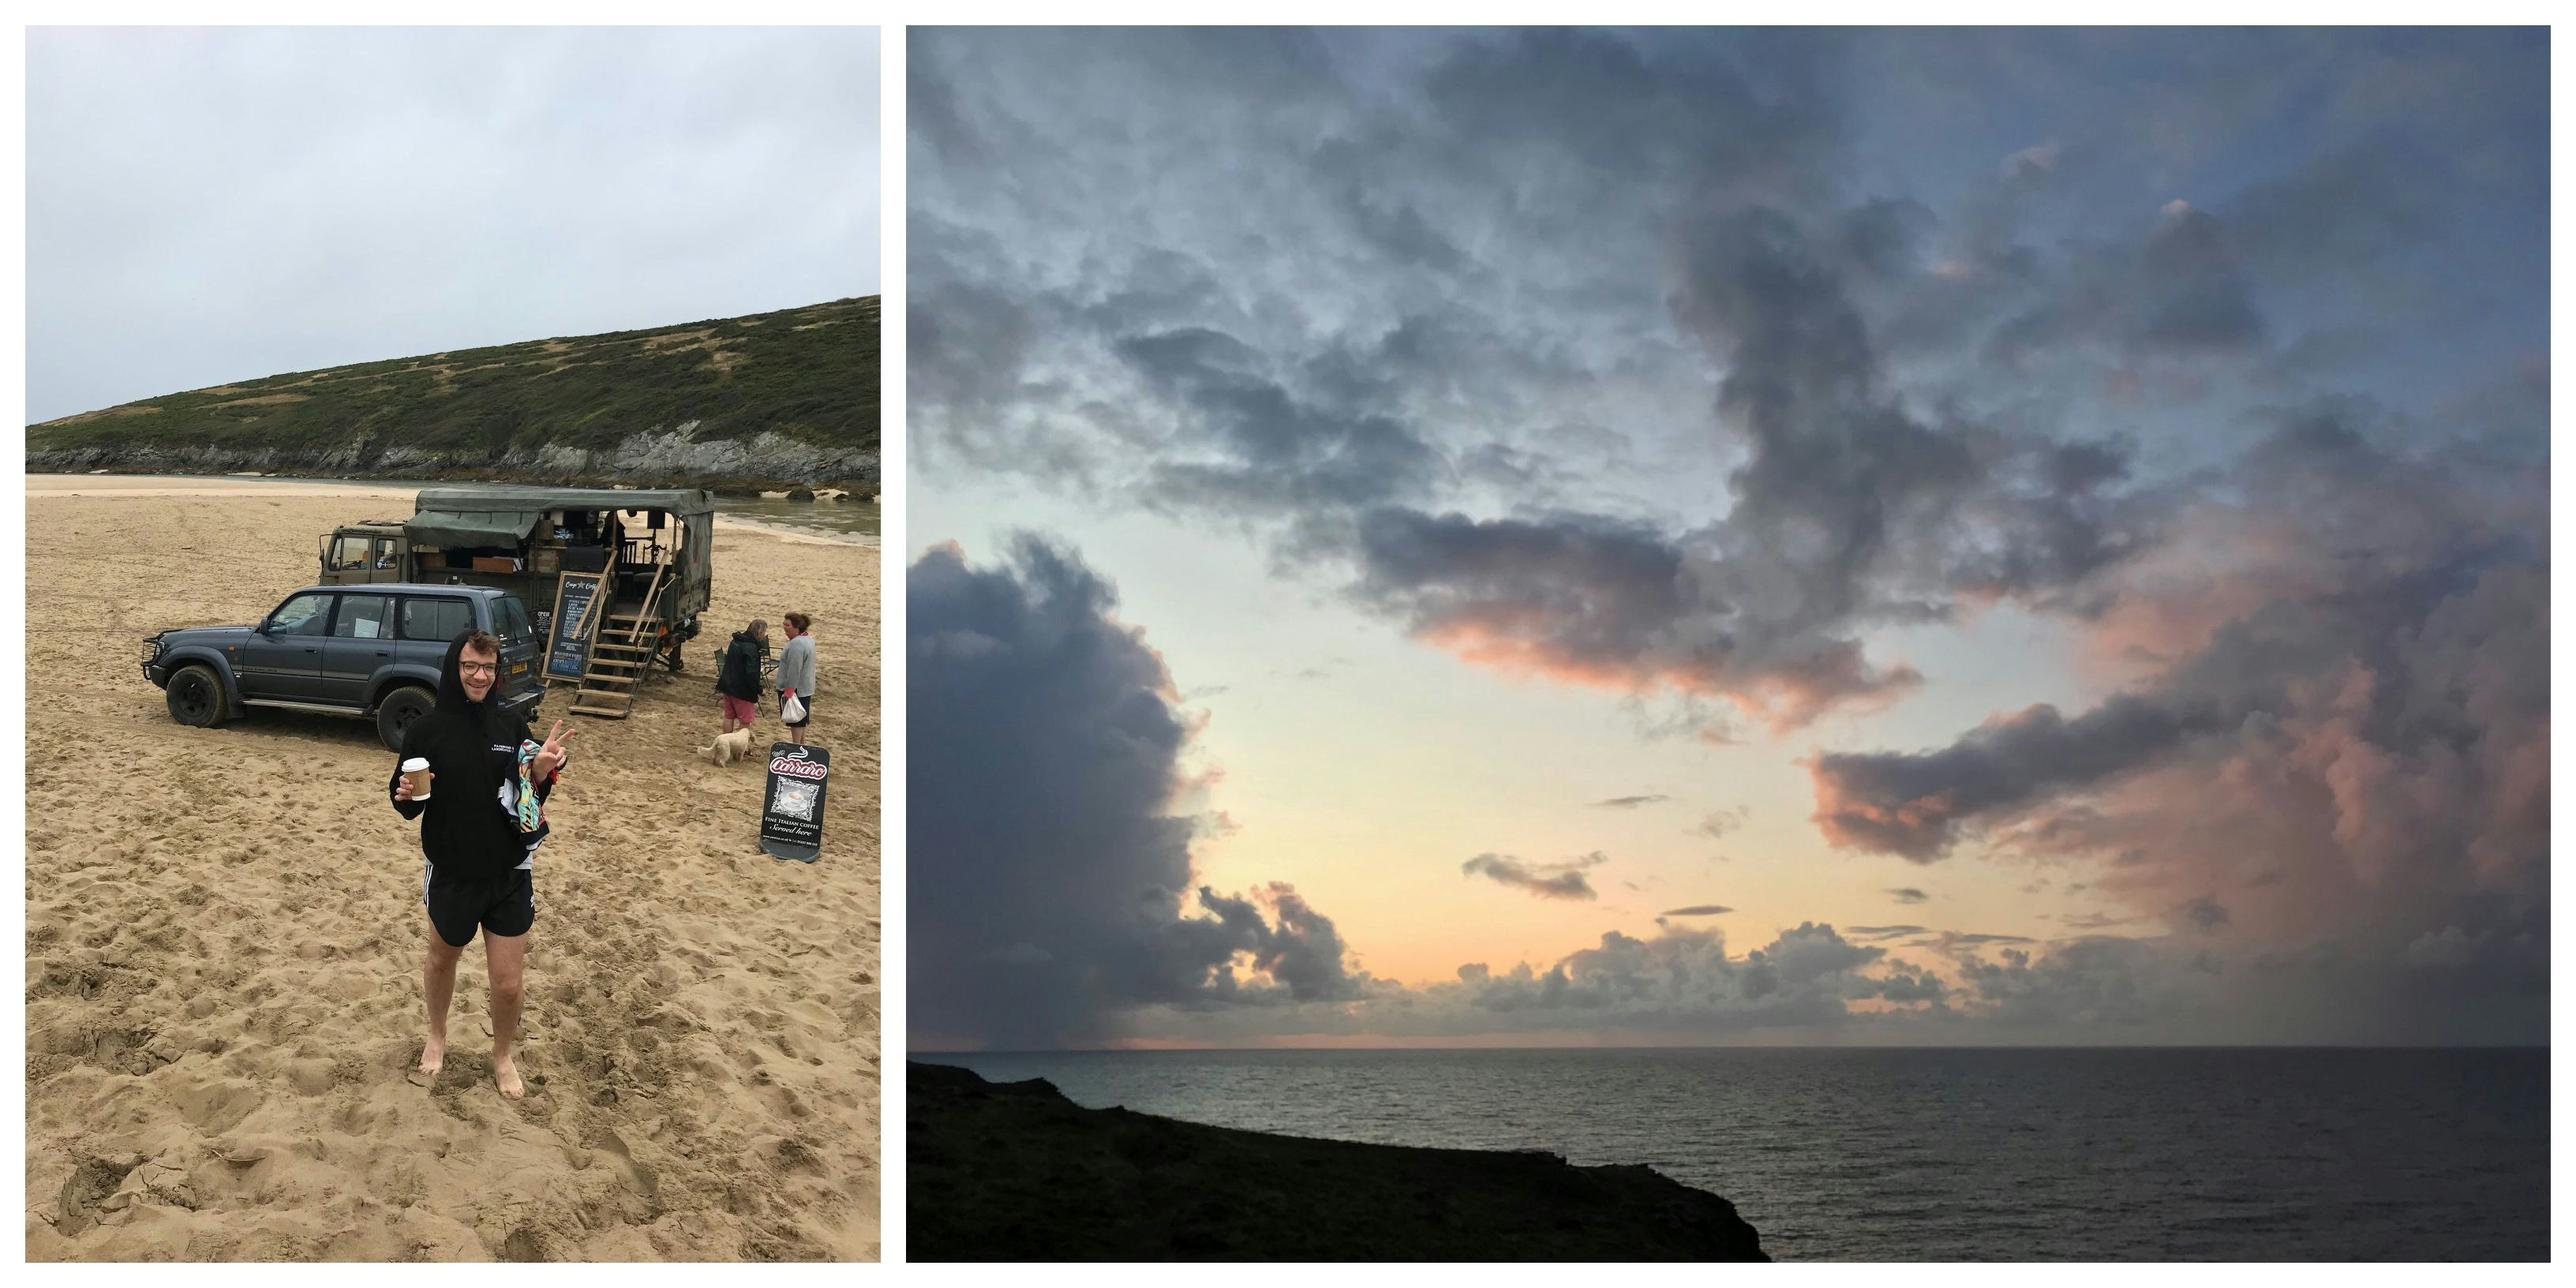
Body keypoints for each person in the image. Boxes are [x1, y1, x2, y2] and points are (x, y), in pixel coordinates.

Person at [389, 631, 575, 1099]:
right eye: (471, 666)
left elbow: (527, 795)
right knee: (441, 958)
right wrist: (405, 795)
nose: (480, 676)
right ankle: (436, 1037)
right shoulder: (427, 730)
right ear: (456, 667)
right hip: (451, 870)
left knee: (508, 983)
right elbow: (408, 804)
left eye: (489, 668)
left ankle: (503, 1055)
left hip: (510, 871)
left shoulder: (512, 726)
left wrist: (541, 768)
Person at [717, 618, 768, 736]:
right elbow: (752, 673)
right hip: (742, 690)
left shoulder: (736, 641)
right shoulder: (751, 648)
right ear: (759, 633)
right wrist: (759, 690)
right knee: (745, 721)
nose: (763, 636)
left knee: (729, 716)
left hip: (728, 684)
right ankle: (740, 750)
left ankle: (726, 740)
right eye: (763, 634)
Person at [776, 612, 817, 746]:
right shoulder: (807, 639)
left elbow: (794, 669)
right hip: (806, 687)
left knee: (796, 720)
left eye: (787, 625)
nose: (784, 627)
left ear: (796, 627)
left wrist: (789, 690)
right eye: (784, 624)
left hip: (796, 689)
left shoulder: (797, 644)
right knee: (801, 718)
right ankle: (801, 745)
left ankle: (796, 747)